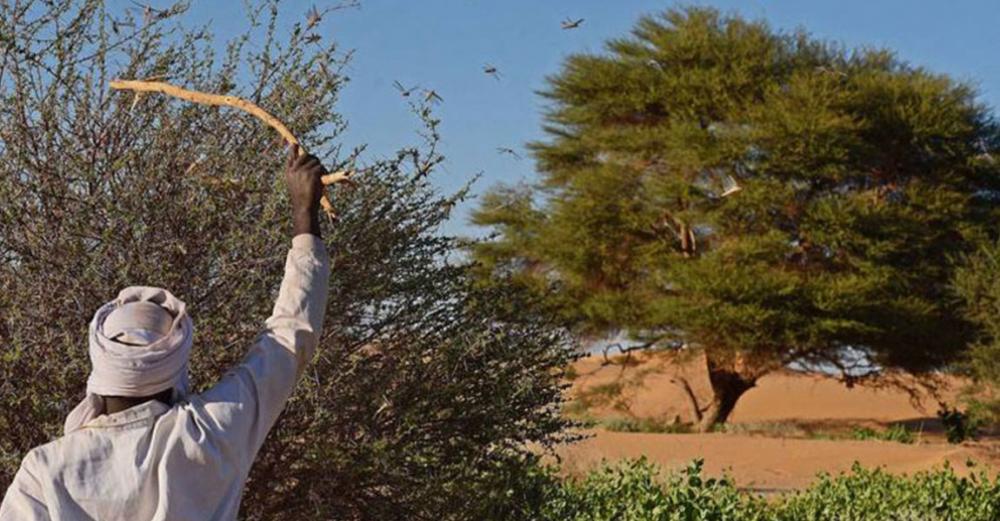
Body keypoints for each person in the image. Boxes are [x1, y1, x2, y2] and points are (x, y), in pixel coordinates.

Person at [0, 146, 332, 520]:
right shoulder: (211, 431)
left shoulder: (46, 470)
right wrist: (305, 217)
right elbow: (289, 339)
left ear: (101, 364)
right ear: (173, 363)